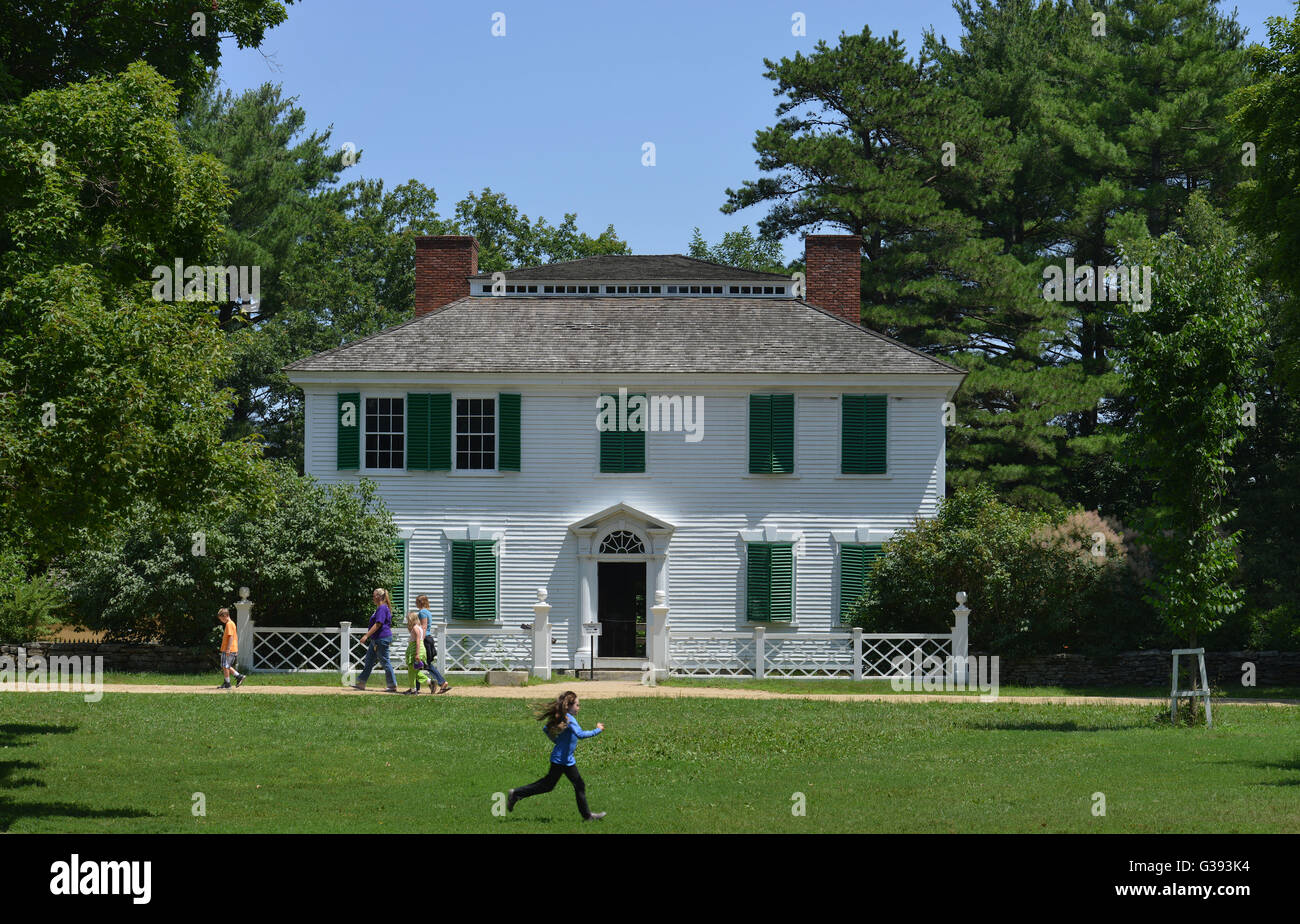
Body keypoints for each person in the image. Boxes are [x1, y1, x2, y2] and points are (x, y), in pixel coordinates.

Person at [506, 691, 606, 821]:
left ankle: (587, 817)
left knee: (578, 785)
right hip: (560, 761)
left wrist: (557, 742)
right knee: (548, 785)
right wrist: (598, 729)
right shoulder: (570, 719)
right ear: (568, 706)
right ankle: (516, 793)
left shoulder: (565, 718)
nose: (578, 708)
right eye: (577, 705)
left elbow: (546, 730)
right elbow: (580, 734)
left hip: (567, 760)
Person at [351, 588, 398, 692]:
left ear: (379, 597)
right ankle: (361, 683)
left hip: (382, 639)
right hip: (376, 639)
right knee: (369, 661)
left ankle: (392, 685)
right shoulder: (381, 608)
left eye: (374, 595)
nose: (373, 597)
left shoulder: (382, 608)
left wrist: (366, 635)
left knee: (385, 661)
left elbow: (378, 624)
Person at [415, 595, 451, 694]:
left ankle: (441, 682)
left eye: (416, 602)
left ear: (420, 602)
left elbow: (424, 626)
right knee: (422, 664)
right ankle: (416, 688)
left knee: (421, 664)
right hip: (428, 639)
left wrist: (420, 640)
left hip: (425, 639)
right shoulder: (428, 612)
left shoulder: (422, 612)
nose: (415, 604)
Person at [402, 610, 432, 695]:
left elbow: (418, 641)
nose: (408, 622)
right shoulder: (419, 627)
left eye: (409, 620)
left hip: (415, 650)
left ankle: (413, 689)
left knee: (411, 672)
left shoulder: (415, 628)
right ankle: (429, 681)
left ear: (412, 619)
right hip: (416, 649)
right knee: (414, 671)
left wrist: (417, 654)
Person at [217, 608, 246, 689]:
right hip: (231, 649)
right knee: (226, 665)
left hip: (229, 649)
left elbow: (230, 637)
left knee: (225, 666)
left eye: (222, 618)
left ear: (226, 616)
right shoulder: (231, 623)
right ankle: (238, 676)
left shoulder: (229, 624)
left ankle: (227, 683)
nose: (221, 620)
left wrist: (228, 649)